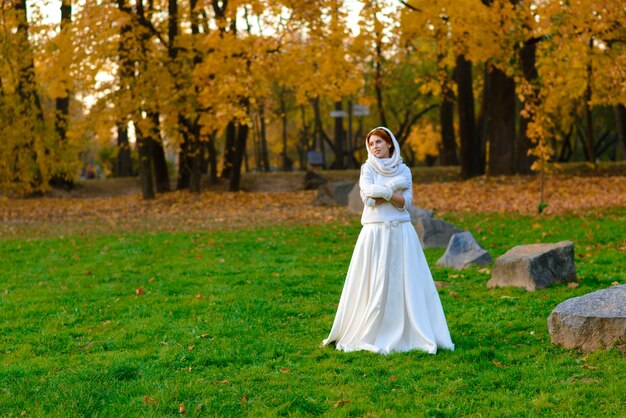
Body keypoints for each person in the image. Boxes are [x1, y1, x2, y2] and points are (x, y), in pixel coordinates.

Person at [322, 127, 454, 354]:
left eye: (379, 143)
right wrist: (393, 187)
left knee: (404, 282)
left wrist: (383, 192)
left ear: (390, 144)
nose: (375, 147)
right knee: (372, 282)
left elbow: (405, 203)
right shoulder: (367, 168)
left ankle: (407, 330)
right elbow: (369, 199)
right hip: (374, 233)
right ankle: (369, 330)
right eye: (371, 143)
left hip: (401, 232)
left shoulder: (404, 170)